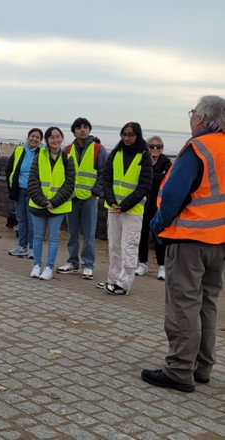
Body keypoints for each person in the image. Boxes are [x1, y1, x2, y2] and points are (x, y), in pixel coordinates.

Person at [141, 95, 225, 393]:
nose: (191, 118)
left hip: (188, 239)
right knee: (207, 304)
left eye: (192, 113)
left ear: (202, 118)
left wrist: (157, 225)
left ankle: (179, 370)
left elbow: (174, 194)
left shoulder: (197, 148)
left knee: (183, 304)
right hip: (218, 241)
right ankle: (203, 367)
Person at [99, 122, 151, 295]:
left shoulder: (144, 156)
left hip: (132, 211)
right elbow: (106, 178)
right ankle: (112, 279)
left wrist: (125, 205)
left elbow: (145, 185)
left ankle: (124, 284)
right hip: (114, 208)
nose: (126, 138)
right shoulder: (116, 153)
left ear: (137, 135)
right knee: (114, 246)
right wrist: (112, 201)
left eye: (130, 134)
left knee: (129, 246)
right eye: (124, 134)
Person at [56, 117, 107, 280]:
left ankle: (88, 264)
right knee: (72, 233)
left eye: (85, 127)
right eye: (79, 128)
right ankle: (72, 262)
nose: (82, 130)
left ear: (89, 130)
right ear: (74, 131)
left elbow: (104, 173)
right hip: (71, 198)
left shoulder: (99, 149)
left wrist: (95, 192)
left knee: (89, 233)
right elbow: (62, 173)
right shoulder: (68, 150)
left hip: (89, 198)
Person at [27, 127, 75, 281]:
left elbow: (69, 184)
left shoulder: (68, 158)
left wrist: (54, 202)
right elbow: (32, 180)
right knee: (38, 236)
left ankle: (48, 267)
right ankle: (36, 265)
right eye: (51, 137)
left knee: (54, 238)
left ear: (62, 138)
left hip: (58, 206)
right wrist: (42, 201)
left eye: (58, 136)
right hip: (38, 204)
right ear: (46, 140)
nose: (55, 140)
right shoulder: (39, 155)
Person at [135, 135, 172, 280]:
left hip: (159, 205)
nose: (155, 149)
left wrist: (150, 177)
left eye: (158, 146)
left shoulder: (166, 163)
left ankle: (162, 266)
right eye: (152, 146)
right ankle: (142, 264)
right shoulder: (142, 160)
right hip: (143, 204)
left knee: (159, 237)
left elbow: (166, 180)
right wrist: (156, 177)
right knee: (142, 235)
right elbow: (138, 179)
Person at [5, 128, 43, 257]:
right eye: (32, 136)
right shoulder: (19, 149)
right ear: (28, 137)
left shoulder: (43, 152)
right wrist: (10, 185)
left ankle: (32, 248)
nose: (34, 139)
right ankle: (22, 246)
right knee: (21, 219)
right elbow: (9, 168)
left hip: (34, 191)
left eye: (37, 137)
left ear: (41, 140)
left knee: (32, 220)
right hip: (19, 189)